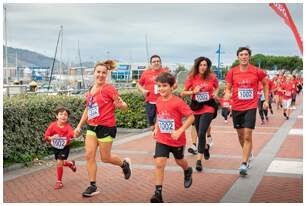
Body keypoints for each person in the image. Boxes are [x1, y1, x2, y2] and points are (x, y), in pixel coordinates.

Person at [75, 60, 131, 197]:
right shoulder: (90, 90)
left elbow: (124, 106)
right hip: (91, 127)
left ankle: (124, 164)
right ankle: (92, 186)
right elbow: (88, 109)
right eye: (98, 72)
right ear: (94, 73)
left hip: (106, 127)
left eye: (103, 73)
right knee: (89, 156)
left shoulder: (109, 89)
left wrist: (121, 105)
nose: (100, 75)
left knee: (105, 158)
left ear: (107, 74)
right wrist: (79, 126)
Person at [224, 47, 269, 176]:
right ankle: (248, 153)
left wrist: (266, 100)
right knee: (240, 135)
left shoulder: (257, 71)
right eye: (241, 55)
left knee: (248, 134)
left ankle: (244, 163)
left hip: (250, 106)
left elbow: (265, 84)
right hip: (237, 107)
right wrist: (227, 94)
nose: (244, 57)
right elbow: (228, 88)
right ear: (238, 57)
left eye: (246, 54)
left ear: (249, 56)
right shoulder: (232, 72)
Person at [150, 72, 194, 203]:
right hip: (162, 139)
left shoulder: (178, 102)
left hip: (176, 140)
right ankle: (158, 193)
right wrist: (157, 127)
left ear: (171, 87)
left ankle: (187, 170)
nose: (161, 89)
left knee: (179, 161)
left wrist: (180, 131)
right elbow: (160, 115)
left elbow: (191, 117)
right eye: (159, 86)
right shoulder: (158, 101)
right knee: (159, 163)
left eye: (164, 86)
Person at [181, 56, 219, 172]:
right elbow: (183, 93)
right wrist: (193, 91)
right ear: (197, 66)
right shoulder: (192, 77)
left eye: (205, 65)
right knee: (199, 132)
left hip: (208, 107)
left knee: (202, 132)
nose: (203, 67)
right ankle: (205, 147)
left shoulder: (212, 77)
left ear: (207, 67)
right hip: (196, 107)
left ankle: (198, 161)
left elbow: (216, 87)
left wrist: (215, 94)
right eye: (201, 65)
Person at [44, 106, 77, 190]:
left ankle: (59, 182)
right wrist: (51, 138)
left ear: (67, 117)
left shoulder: (68, 127)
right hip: (55, 147)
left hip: (65, 147)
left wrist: (75, 133)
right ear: (57, 116)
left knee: (59, 162)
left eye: (65, 115)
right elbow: (46, 136)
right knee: (60, 163)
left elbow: (72, 134)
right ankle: (70, 164)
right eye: (61, 114)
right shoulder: (52, 126)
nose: (63, 116)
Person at [137, 55, 169, 130]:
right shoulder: (146, 73)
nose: (156, 63)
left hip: (163, 100)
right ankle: (156, 134)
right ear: (151, 64)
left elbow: (174, 84)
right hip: (150, 101)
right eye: (154, 62)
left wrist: (168, 90)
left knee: (161, 121)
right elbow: (138, 84)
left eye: (158, 61)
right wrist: (143, 90)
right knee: (152, 124)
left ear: (160, 63)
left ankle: (161, 138)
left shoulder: (165, 72)